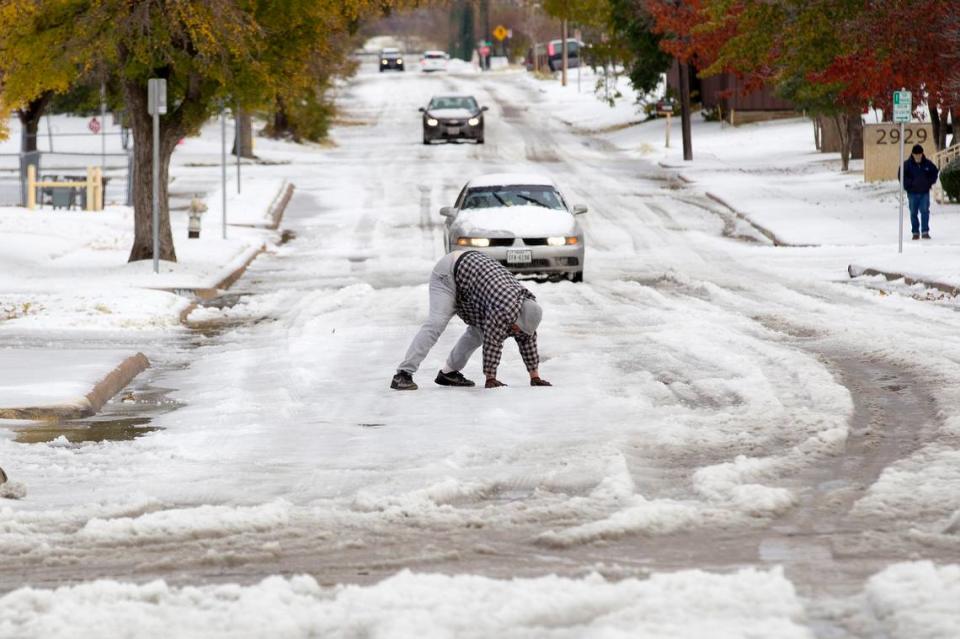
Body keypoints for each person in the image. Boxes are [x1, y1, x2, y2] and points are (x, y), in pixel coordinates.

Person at [391, 250, 552, 390]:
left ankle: (448, 373)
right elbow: (493, 342)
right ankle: (403, 374)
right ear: (517, 315)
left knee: (478, 331)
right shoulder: (504, 307)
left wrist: (535, 377)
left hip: (470, 281)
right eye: (517, 328)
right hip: (448, 273)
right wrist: (490, 378)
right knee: (437, 322)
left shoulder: (527, 309)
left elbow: (527, 340)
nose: (516, 332)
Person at [901, 144, 940, 240]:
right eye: (916, 155)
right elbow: (902, 176)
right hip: (912, 193)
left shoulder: (927, 164)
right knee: (913, 213)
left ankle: (925, 231)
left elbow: (934, 172)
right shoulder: (907, 165)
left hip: (924, 193)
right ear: (912, 154)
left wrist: (929, 182)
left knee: (925, 212)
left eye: (920, 154)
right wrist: (909, 185)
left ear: (922, 154)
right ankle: (915, 232)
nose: (918, 156)